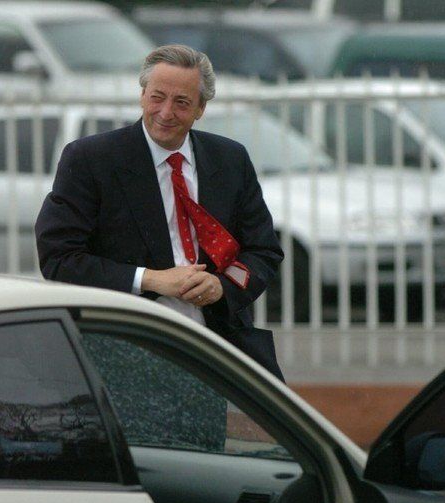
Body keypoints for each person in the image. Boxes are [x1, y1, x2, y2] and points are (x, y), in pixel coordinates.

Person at [35, 45, 285, 380]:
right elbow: (59, 259)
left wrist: (221, 287)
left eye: (181, 102)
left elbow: (263, 251)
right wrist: (151, 279)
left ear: (201, 108)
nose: (166, 112)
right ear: (141, 96)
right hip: (123, 347)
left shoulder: (230, 160)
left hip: (216, 348)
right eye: (157, 97)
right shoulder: (91, 160)